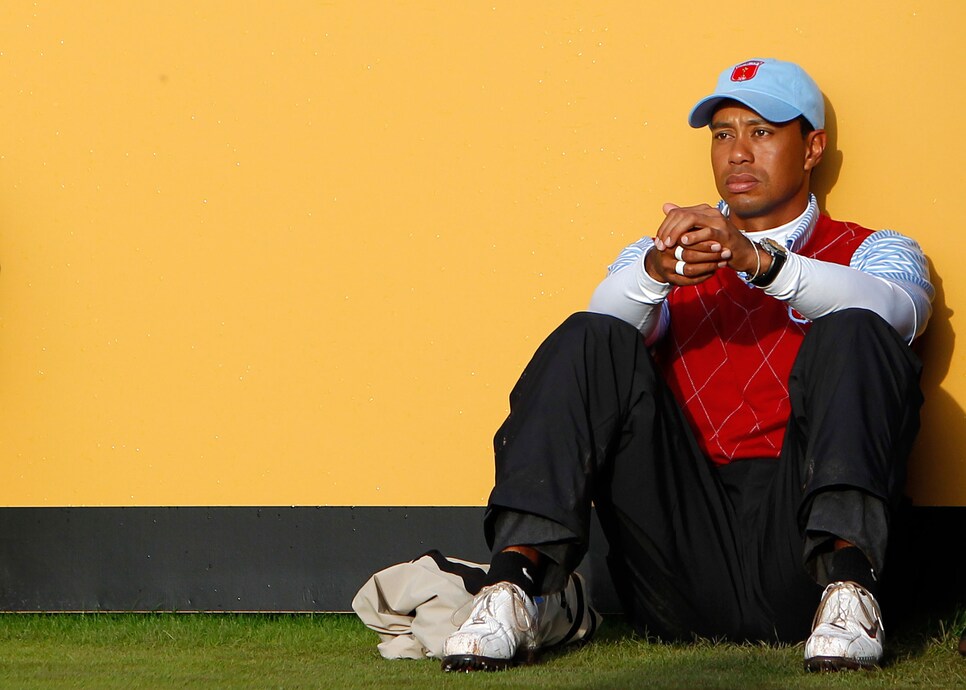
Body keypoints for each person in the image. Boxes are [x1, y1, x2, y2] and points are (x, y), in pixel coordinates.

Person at [440, 58, 933, 673]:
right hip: (681, 550)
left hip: (803, 541)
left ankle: (851, 595)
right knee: (594, 334)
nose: (738, 153)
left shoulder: (877, 250)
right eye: (723, 135)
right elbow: (599, 331)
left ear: (812, 148)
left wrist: (760, 261)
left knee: (856, 325)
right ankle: (515, 589)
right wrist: (652, 276)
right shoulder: (666, 254)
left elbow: (898, 312)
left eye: (762, 131)